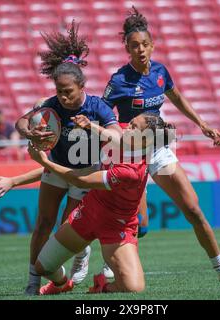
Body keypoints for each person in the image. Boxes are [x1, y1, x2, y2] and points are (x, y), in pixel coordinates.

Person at [101, 7, 220, 282]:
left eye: (144, 44)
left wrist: (202, 124)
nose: (140, 49)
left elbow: (176, 98)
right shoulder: (119, 80)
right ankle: (110, 266)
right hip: (130, 154)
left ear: (152, 45)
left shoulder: (160, 71)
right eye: (134, 46)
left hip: (158, 150)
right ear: (127, 49)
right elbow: (104, 114)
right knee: (139, 225)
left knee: (193, 209)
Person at [12, 21, 121, 295]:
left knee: (64, 230)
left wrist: (91, 127)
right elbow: (20, 123)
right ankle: (33, 280)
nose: (62, 96)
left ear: (81, 86)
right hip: (56, 170)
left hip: (85, 175)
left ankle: (81, 253)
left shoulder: (98, 107)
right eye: (59, 91)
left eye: (68, 91)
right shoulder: (51, 105)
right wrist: (31, 131)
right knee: (42, 224)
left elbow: (117, 136)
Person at [27, 112, 173, 294]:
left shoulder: (131, 171)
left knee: (133, 288)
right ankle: (63, 283)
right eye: (131, 122)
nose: (127, 127)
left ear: (145, 141)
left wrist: (44, 162)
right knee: (43, 267)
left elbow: (81, 180)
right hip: (89, 213)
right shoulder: (124, 141)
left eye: (133, 127)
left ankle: (102, 287)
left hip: (117, 226)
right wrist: (88, 125)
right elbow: (107, 134)